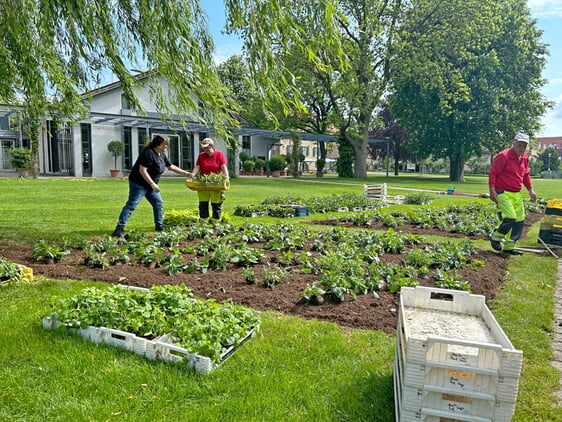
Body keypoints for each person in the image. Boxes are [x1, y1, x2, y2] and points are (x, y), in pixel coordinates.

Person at [112, 135, 191, 237]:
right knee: (131, 205)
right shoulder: (148, 153)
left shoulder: (161, 154)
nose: (166, 146)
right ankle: (119, 229)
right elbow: (142, 170)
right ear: (157, 144)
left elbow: (170, 166)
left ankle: (159, 225)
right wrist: (152, 184)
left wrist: (186, 173)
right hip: (139, 183)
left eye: (167, 144)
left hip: (150, 185)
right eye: (164, 144)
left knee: (158, 203)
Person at [488, 132, 537, 255]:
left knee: (519, 221)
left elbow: (525, 175)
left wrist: (531, 190)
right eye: (519, 145)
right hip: (503, 192)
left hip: (516, 193)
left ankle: (509, 247)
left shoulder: (525, 158)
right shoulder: (503, 156)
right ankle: (496, 237)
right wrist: (492, 191)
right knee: (509, 217)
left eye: (524, 146)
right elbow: (493, 173)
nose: (521, 148)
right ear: (514, 143)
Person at [190, 138, 229, 220]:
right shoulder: (201, 155)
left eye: (207, 147)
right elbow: (198, 167)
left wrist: (226, 178)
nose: (205, 149)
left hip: (216, 183)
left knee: (216, 204)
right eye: (204, 148)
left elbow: (223, 167)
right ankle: (204, 222)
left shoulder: (219, 154)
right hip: (203, 183)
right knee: (203, 204)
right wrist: (192, 175)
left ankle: (216, 223)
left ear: (212, 146)